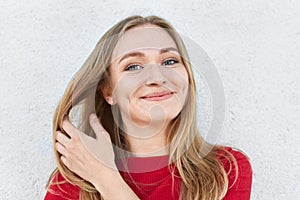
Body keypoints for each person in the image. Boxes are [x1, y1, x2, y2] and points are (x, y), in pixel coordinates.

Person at [44, 15, 252, 200]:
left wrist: (106, 179)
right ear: (108, 91)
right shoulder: (73, 181)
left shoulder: (225, 171)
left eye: (170, 61)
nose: (157, 78)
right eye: (133, 66)